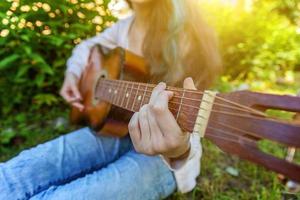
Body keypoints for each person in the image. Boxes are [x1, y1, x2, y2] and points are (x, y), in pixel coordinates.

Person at [0, 0, 221, 199]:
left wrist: (177, 150)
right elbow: (85, 47)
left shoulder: (185, 33)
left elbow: (192, 115)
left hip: (165, 159)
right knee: (18, 172)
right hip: (115, 129)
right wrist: (73, 74)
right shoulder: (123, 28)